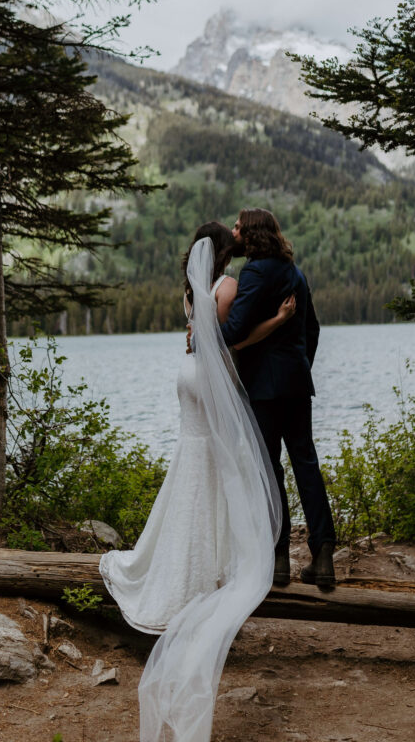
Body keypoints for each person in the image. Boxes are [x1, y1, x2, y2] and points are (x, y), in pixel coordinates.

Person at [99, 221, 293, 742]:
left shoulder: (192, 288)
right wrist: (275, 322)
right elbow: (230, 340)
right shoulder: (225, 287)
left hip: (183, 376)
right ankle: (202, 576)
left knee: (194, 466)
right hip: (207, 378)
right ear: (228, 253)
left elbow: (199, 334)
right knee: (216, 463)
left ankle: (181, 567)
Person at [220, 207, 336, 589]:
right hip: (296, 384)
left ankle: (280, 557)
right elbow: (313, 329)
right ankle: (323, 557)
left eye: (238, 227)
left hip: (265, 389)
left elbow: (234, 329)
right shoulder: (294, 273)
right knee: (306, 464)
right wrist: (298, 367)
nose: (233, 232)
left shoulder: (254, 271)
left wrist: (205, 324)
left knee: (269, 470)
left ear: (251, 234)